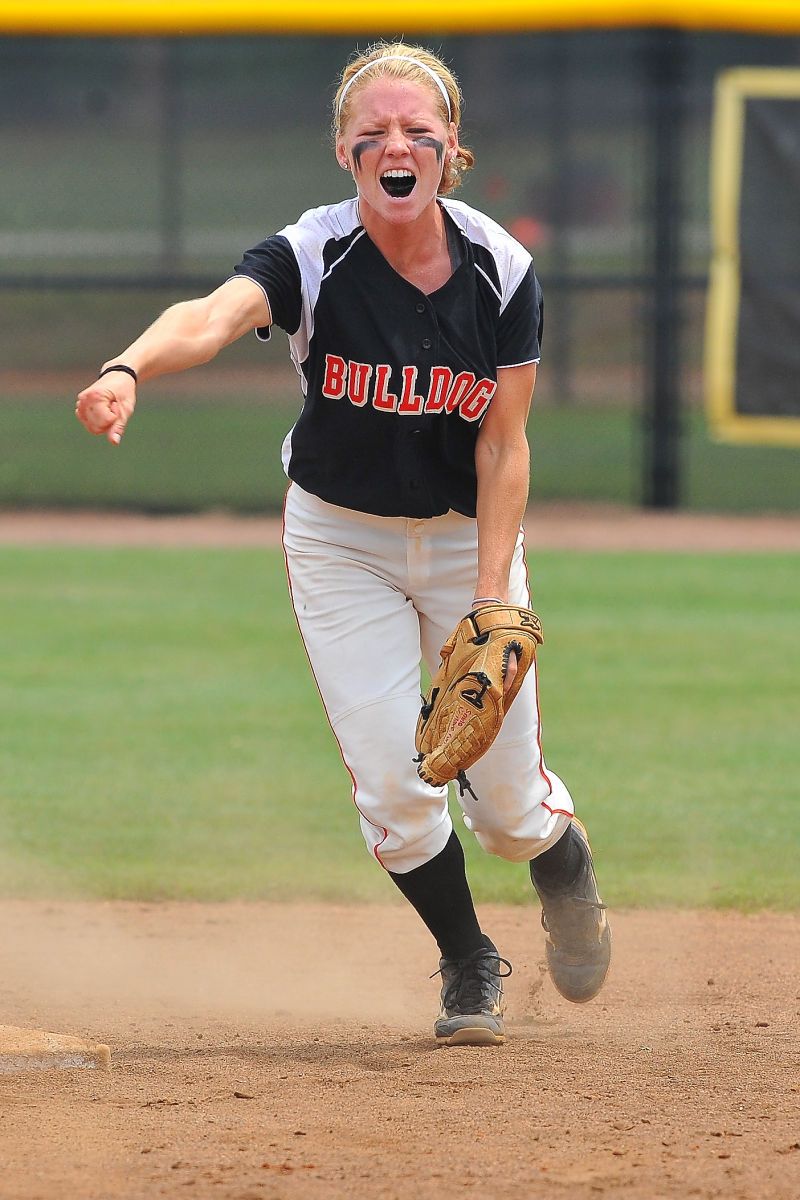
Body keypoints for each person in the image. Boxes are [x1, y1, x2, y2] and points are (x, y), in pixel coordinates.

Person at [75, 41, 611, 1047]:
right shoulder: (313, 253)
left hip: (462, 544)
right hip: (341, 542)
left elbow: (503, 446)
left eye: (417, 127)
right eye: (373, 130)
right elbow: (216, 314)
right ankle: (467, 962)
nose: (394, 141)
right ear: (342, 149)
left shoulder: (501, 268)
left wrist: (491, 605)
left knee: (499, 808)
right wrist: (129, 367)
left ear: (451, 145)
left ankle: (557, 853)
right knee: (392, 787)